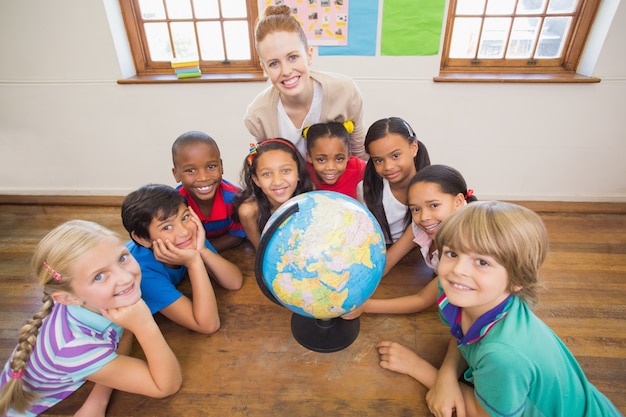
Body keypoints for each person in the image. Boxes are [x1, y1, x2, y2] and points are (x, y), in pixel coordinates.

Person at [375, 201, 622, 417]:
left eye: (482, 262)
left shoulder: (504, 354)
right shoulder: (459, 295)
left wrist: (422, 370)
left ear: (517, 279)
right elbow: (462, 337)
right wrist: (447, 374)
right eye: (452, 253)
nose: (458, 270)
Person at [0, 220, 182, 417]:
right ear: (69, 297)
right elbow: (166, 385)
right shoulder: (72, 347)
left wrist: (98, 399)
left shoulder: (92, 298)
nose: (125, 278)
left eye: (122, 258)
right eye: (98, 276)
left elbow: (121, 336)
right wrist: (146, 326)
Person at [343, 165, 476, 319]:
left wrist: (365, 306)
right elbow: (388, 260)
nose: (424, 217)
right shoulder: (422, 226)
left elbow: (422, 299)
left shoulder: (464, 248)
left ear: (459, 201)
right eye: (415, 209)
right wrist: (353, 285)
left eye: (434, 205)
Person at [244, 4, 367, 160]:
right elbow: (269, 164)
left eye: (293, 57)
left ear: (309, 55)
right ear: (265, 69)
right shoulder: (258, 116)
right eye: (274, 63)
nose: (286, 71)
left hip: (339, 183)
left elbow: (359, 154)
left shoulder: (346, 92)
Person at [121, 184, 243, 334]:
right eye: (166, 227)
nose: (184, 231)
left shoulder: (188, 238)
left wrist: (203, 251)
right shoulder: (141, 273)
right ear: (142, 238)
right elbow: (208, 325)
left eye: (185, 217)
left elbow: (234, 282)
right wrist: (194, 263)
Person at [357, 117, 431, 245]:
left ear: (414, 148)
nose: (388, 167)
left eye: (395, 156)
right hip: (384, 254)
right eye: (379, 160)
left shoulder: (435, 188)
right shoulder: (366, 190)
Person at [232, 138, 313, 250]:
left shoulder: (312, 199)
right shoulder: (249, 211)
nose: (277, 181)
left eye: (285, 171)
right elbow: (262, 253)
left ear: (299, 172)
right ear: (256, 180)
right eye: (267, 174)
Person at [172, 130, 246, 252]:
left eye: (211, 167)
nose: (203, 177)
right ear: (176, 174)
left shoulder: (235, 199)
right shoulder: (175, 203)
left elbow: (236, 236)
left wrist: (201, 250)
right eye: (190, 170)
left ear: (221, 166)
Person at [304, 120, 366, 199]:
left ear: (348, 156)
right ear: (309, 157)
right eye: (321, 160)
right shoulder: (305, 173)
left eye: (339, 159)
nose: (331, 167)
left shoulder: (358, 168)